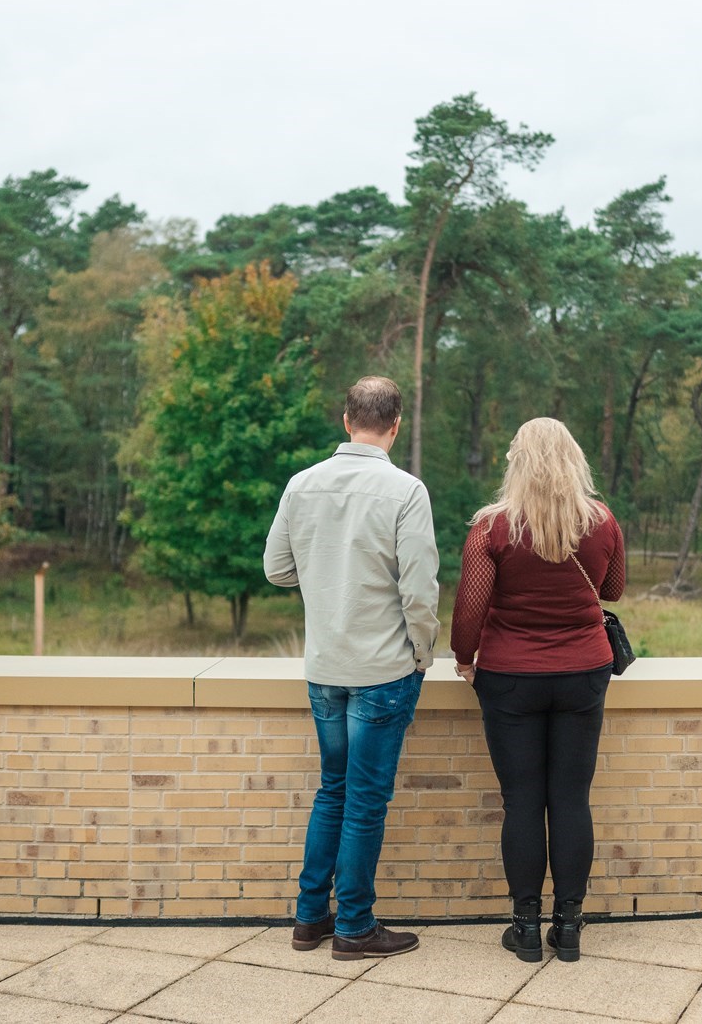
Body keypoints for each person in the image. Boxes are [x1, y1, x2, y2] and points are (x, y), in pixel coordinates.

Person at [263, 375, 439, 962]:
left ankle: (310, 918)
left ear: (346, 419)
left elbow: (276, 568)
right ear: (394, 425)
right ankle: (355, 926)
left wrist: (323, 581)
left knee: (332, 791)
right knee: (364, 800)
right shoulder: (406, 491)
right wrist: (422, 651)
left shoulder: (300, 484)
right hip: (382, 668)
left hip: (324, 666)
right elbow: (419, 590)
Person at [450, 417, 626, 963]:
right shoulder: (601, 522)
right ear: (575, 460)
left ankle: (524, 927)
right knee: (571, 799)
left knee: (521, 800)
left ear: (515, 463)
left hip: (510, 679)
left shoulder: (491, 527)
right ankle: (568, 927)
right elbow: (613, 588)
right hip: (582, 675)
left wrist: (462, 657)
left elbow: (470, 608)